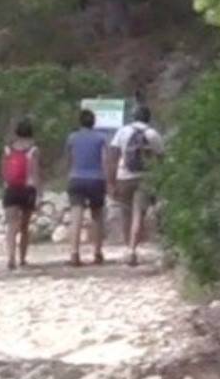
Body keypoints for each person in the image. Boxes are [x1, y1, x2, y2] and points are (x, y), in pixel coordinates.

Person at [110, 104, 165, 266]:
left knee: (125, 213)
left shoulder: (122, 131)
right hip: (144, 178)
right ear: (148, 118)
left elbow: (113, 156)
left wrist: (111, 181)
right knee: (138, 214)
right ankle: (133, 250)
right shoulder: (153, 134)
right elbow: (161, 158)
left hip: (123, 177)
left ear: (133, 117)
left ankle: (127, 247)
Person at [63, 106, 111, 266]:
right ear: (94, 122)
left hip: (76, 177)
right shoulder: (101, 138)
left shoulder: (72, 138)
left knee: (76, 217)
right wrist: (109, 180)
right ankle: (97, 252)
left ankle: (74, 253)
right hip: (96, 179)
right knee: (97, 216)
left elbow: (69, 160)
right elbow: (105, 160)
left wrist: (69, 175)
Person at [0, 119, 40, 269]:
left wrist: (6, 184)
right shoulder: (33, 150)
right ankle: (22, 258)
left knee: (11, 226)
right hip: (27, 189)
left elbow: (3, 170)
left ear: (16, 133)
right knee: (24, 226)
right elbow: (35, 173)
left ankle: (11, 257)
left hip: (11, 189)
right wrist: (39, 193)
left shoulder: (8, 149)